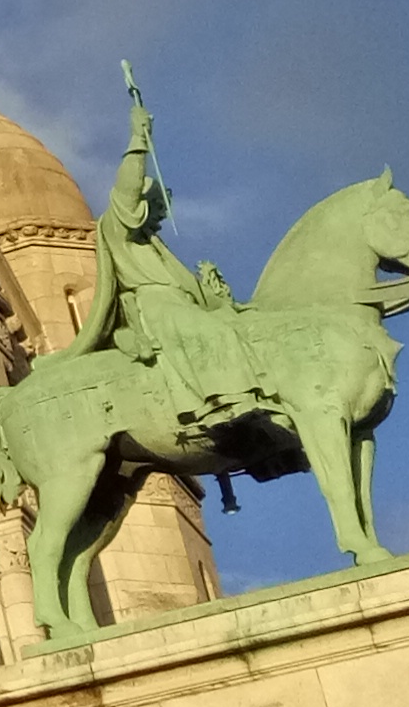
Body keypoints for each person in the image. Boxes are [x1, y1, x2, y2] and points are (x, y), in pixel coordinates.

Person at [67, 69, 263, 434]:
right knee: (201, 329)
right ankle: (220, 403)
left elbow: (200, 297)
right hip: (153, 307)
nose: (161, 215)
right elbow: (126, 190)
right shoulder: (119, 231)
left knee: (230, 324)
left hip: (178, 302)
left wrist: (220, 296)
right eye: (157, 206)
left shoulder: (157, 248)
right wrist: (138, 140)